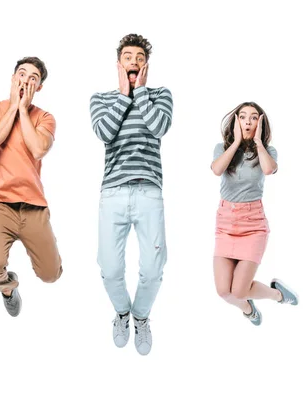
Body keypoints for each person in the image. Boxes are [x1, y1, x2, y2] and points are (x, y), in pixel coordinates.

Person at [89, 33, 173, 355]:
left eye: (139, 57)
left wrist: (140, 93)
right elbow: (104, 132)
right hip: (113, 191)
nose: (134, 62)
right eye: (128, 57)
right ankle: (122, 313)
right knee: (109, 267)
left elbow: (159, 127)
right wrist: (125, 94)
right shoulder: (101, 99)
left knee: (154, 268)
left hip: (150, 190)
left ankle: (141, 316)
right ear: (119, 63)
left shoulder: (161, 95)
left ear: (146, 64)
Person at [0, 56, 62, 317]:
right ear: (13, 78)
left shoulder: (44, 117)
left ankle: (45, 249)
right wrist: (13, 106)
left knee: (51, 275)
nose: (26, 80)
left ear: (39, 87)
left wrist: (23, 110)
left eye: (33, 78)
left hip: (33, 206)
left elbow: (38, 149)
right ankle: (8, 288)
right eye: (22, 74)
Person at [211, 102, 298, 326]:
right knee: (224, 291)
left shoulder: (268, 151)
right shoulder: (222, 148)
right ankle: (249, 310)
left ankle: (278, 295)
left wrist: (258, 141)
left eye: (253, 117)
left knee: (239, 290)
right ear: (236, 121)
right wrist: (237, 141)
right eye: (242, 117)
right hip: (226, 223)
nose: (247, 121)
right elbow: (216, 169)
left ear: (260, 123)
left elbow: (269, 169)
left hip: (253, 224)